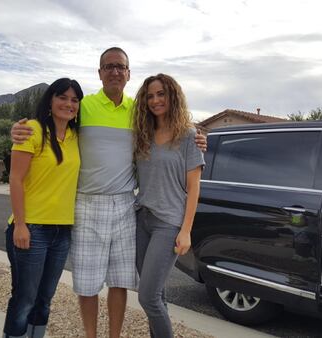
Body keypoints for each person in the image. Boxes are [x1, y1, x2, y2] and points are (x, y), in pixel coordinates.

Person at [11, 47, 207, 338]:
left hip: (126, 207)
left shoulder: (137, 112)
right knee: (88, 284)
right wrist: (17, 128)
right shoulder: (83, 106)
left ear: (128, 74)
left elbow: (175, 132)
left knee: (120, 282)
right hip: (87, 205)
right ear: (99, 72)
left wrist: (199, 135)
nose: (115, 71)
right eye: (108, 66)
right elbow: (54, 121)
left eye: (120, 66)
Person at [3, 78, 83, 338]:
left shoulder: (75, 136)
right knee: (25, 298)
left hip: (62, 231)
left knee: (45, 299)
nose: (68, 104)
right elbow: (15, 178)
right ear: (50, 100)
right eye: (62, 97)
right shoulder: (33, 130)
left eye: (74, 100)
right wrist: (21, 225)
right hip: (32, 228)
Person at [133, 74, 204, 338]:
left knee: (148, 297)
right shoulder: (143, 134)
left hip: (168, 224)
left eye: (161, 94)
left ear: (172, 95)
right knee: (156, 295)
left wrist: (186, 230)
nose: (155, 100)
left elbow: (194, 187)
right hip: (142, 220)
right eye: (150, 96)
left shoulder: (188, 136)